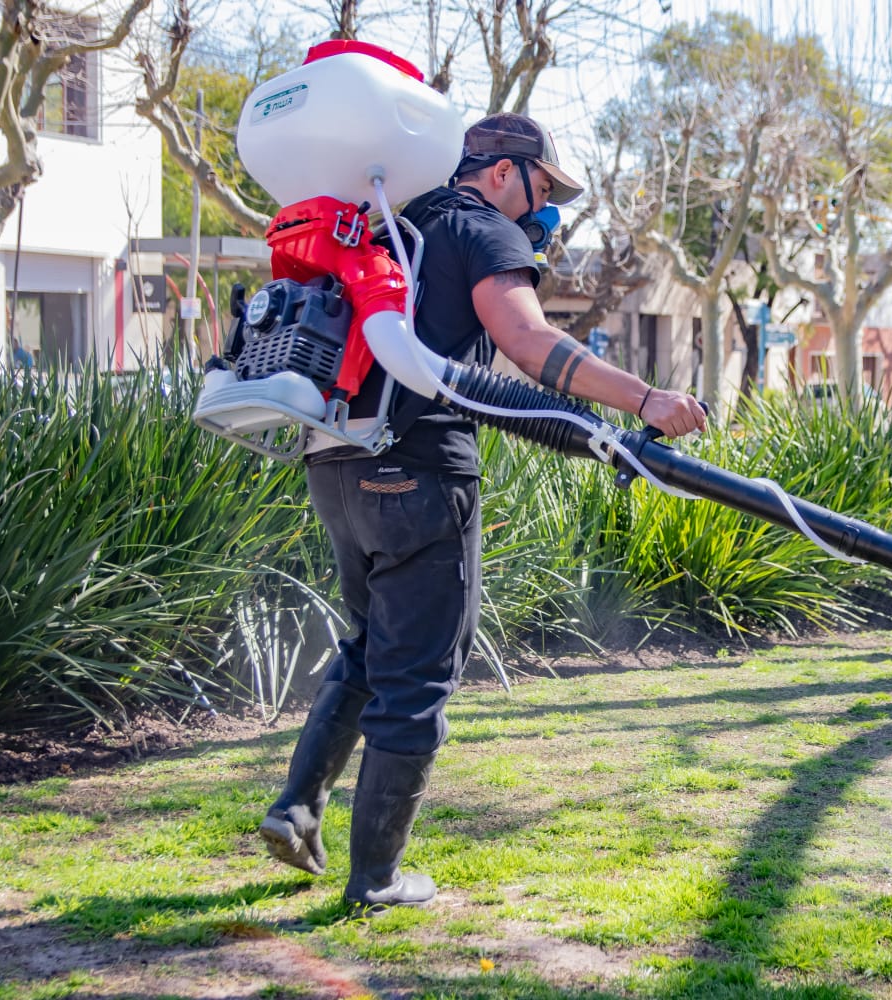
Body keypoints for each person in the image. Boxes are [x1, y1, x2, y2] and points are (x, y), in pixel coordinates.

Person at [259, 112, 707, 915]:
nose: (546, 214)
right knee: (419, 673)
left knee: (369, 649)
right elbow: (529, 345)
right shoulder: (480, 230)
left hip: (335, 465)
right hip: (419, 472)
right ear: (502, 172)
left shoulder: (392, 223)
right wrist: (646, 399)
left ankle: (296, 806)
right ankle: (378, 879)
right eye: (544, 191)